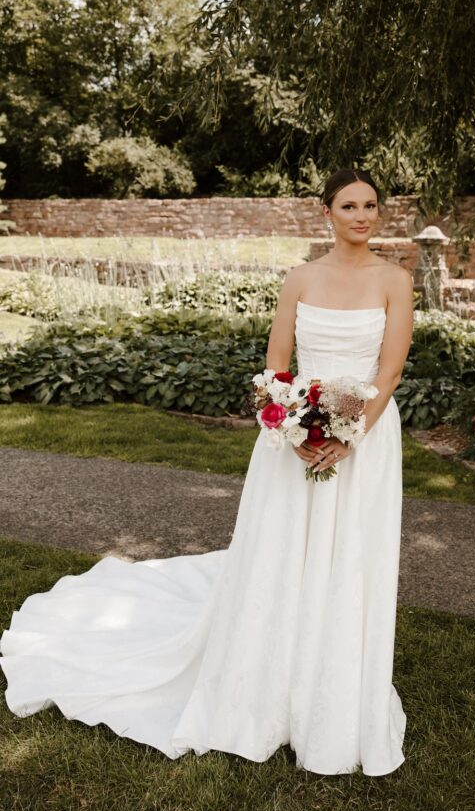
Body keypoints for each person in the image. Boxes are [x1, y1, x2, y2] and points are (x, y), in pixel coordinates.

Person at [0, 167, 414, 777]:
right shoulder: (300, 278)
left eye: (371, 206)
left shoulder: (395, 280)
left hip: (367, 438)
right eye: (348, 205)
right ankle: (263, 679)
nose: (361, 215)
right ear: (325, 213)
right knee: (282, 552)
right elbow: (276, 365)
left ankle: (337, 684)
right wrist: (290, 428)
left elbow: (390, 371)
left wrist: (349, 437)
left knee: (350, 554)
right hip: (295, 436)